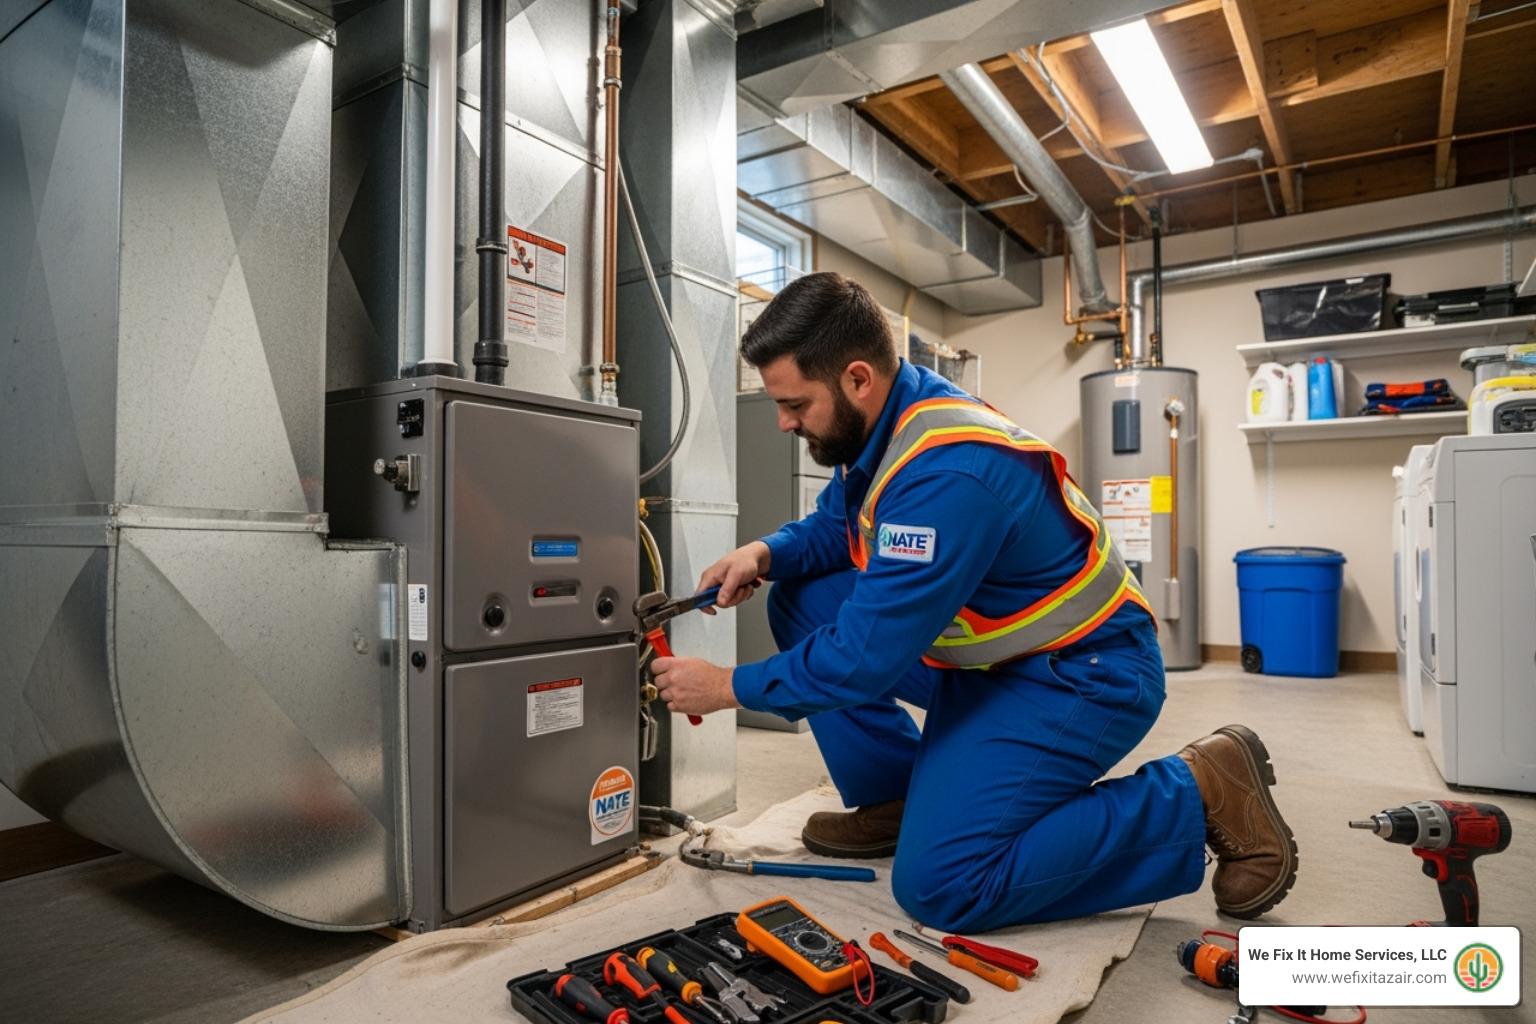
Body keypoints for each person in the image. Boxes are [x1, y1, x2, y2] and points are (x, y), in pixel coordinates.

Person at [649, 272, 1297, 932]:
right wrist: (762, 552)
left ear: (856, 379)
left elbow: (862, 660)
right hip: (1002, 662)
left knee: (944, 885)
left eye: (795, 403)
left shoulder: (944, 471)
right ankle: (900, 798)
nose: (784, 421)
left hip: (1082, 676)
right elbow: (835, 527)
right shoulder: (886, 423)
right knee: (803, 599)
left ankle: (1197, 792)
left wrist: (727, 687)